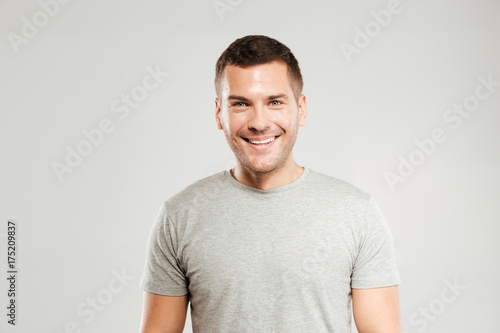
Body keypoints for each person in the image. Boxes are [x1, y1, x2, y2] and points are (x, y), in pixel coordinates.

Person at [139, 35, 402, 333]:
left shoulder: (358, 213)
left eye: (275, 102)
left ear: (300, 109)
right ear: (218, 113)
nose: (259, 122)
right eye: (240, 104)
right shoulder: (179, 216)